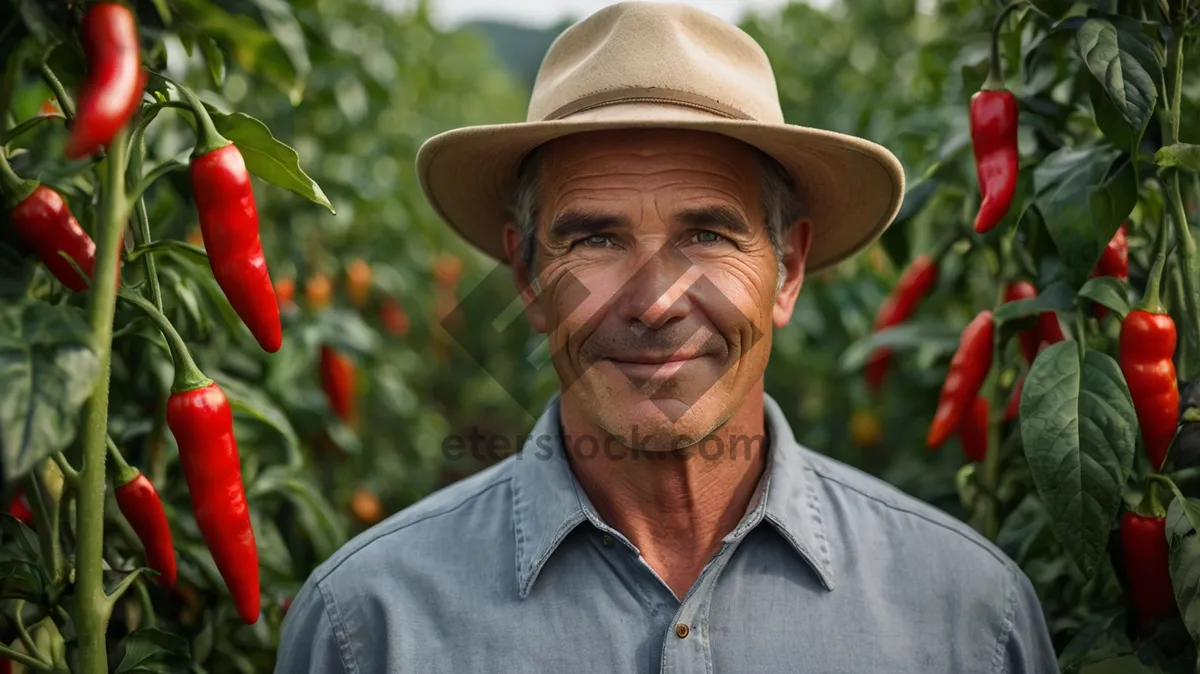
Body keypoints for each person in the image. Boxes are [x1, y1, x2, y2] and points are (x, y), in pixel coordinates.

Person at [275, 2, 1058, 672]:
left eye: (709, 236)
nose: (655, 302)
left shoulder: (968, 617)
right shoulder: (369, 625)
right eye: (596, 241)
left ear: (787, 271)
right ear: (526, 281)